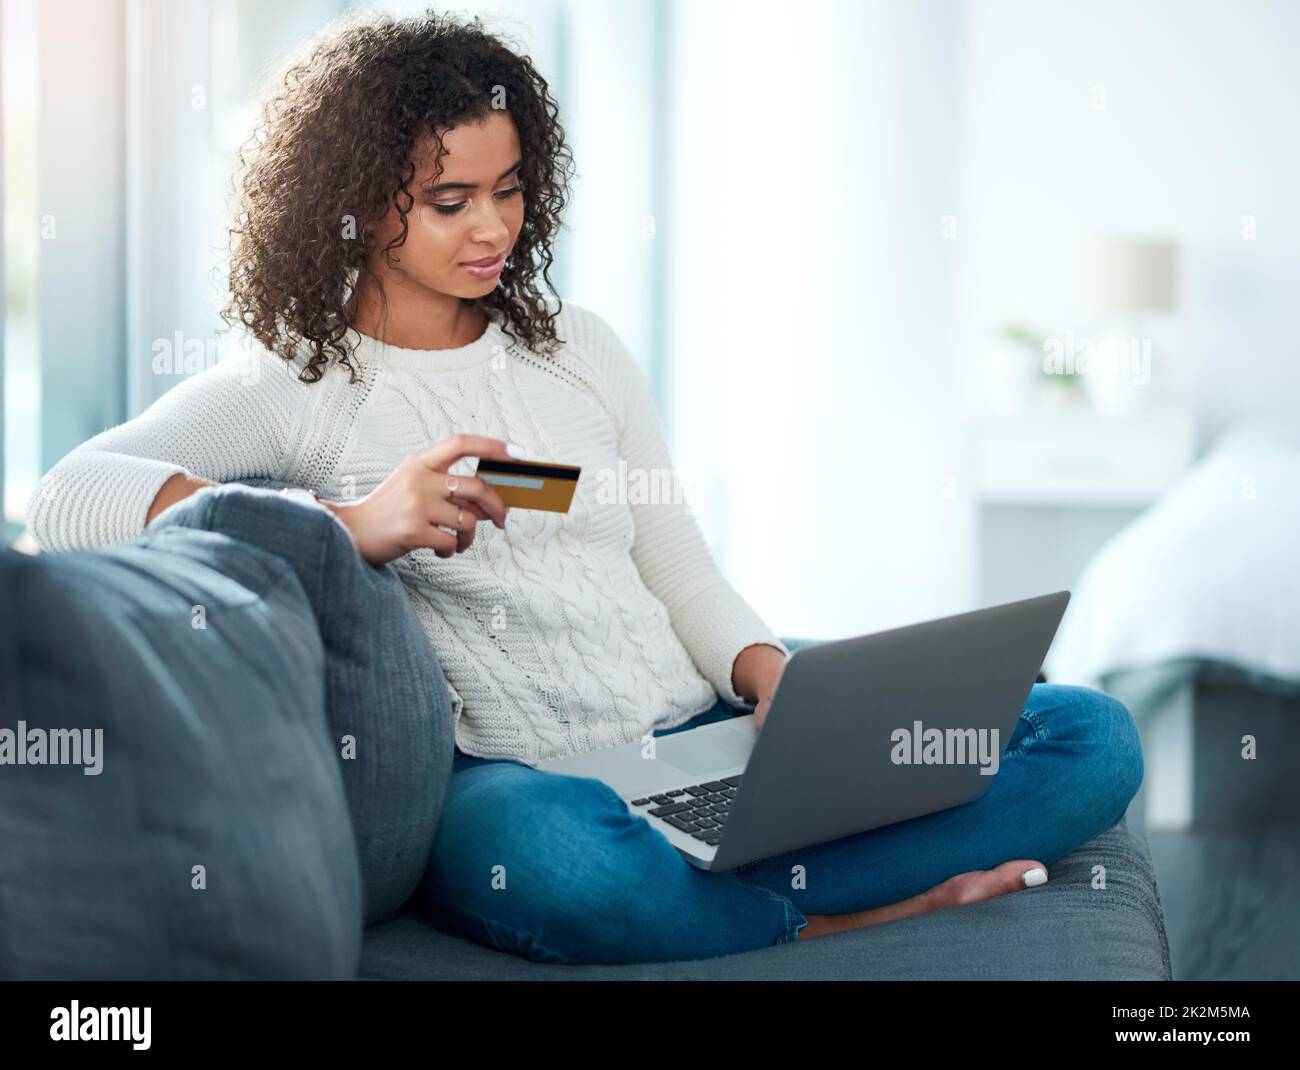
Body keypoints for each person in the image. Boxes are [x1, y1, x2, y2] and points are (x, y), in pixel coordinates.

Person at [26, 9, 1143, 965]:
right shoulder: (296, 382)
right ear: (361, 205)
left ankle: (738, 868)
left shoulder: (578, 347)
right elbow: (70, 497)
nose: (495, 227)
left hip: (692, 732)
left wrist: (772, 674)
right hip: (515, 781)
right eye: (450, 198)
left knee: (1088, 736)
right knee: (558, 863)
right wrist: (351, 525)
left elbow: (677, 562)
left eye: (509, 189)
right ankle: (849, 914)